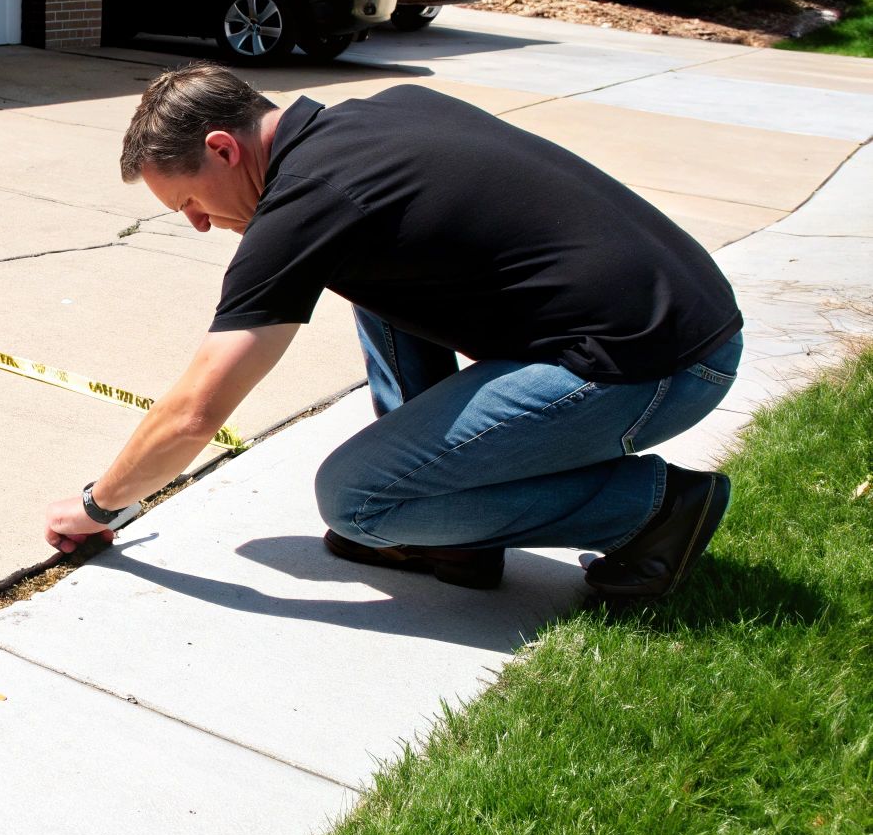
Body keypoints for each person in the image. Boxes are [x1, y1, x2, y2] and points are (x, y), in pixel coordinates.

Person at [42, 62, 743, 599]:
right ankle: (457, 540)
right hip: (679, 319)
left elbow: (196, 412)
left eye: (190, 202)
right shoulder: (389, 112)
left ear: (224, 148)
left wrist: (97, 504)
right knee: (372, 272)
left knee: (356, 501)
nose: (199, 224)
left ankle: (651, 510)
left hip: (657, 367)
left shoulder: (304, 203)